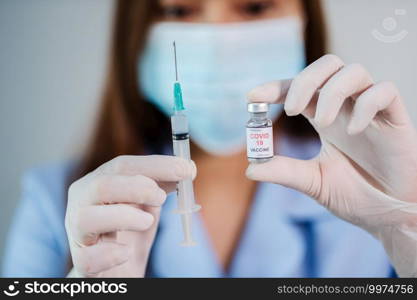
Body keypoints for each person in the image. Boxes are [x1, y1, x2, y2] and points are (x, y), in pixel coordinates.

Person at [3, 0, 417, 278]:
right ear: (136, 35)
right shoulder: (54, 200)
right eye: (181, 9)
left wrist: (408, 228)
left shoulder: (373, 187)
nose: (221, 41)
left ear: (307, 21)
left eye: (254, 5)